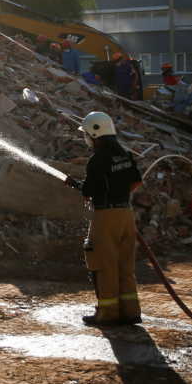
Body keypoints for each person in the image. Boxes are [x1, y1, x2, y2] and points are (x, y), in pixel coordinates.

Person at [63, 111, 143, 327]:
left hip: (105, 216)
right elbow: (136, 183)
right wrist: (119, 193)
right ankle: (130, 311)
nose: (86, 138)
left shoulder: (97, 160)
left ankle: (107, 313)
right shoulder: (125, 154)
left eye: (87, 134)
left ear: (95, 133)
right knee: (125, 265)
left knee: (104, 264)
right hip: (126, 215)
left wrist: (77, 185)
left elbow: (89, 191)